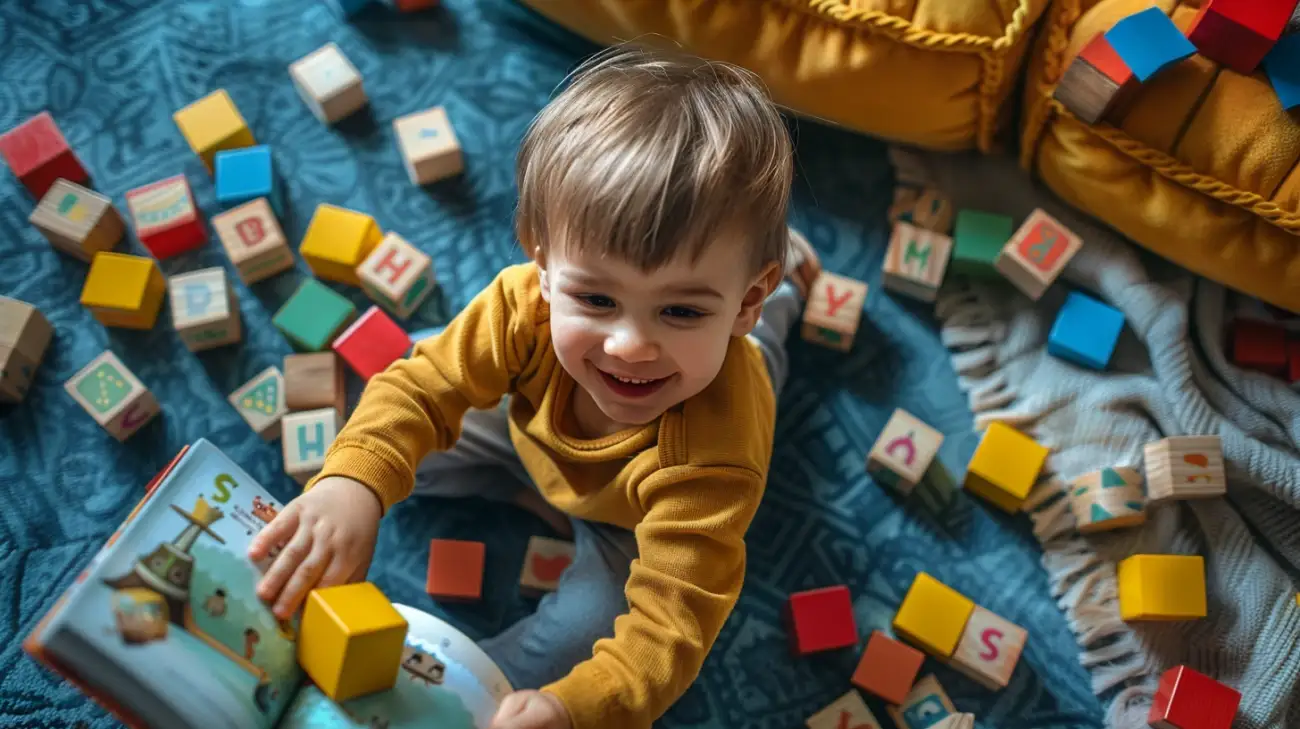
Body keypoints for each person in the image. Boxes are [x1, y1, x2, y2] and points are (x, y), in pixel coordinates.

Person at [249, 46, 821, 729]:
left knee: (585, 631)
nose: (630, 345)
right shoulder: (524, 306)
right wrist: (355, 484)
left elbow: (673, 627)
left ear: (742, 297)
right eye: (598, 299)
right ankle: (540, 489)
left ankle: (783, 294)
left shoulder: (714, 459)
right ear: (543, 264)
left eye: (682, 309)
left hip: (634, 519)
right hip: (530, 440)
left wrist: (570, 708)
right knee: (379, 446)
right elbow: (422, 387)